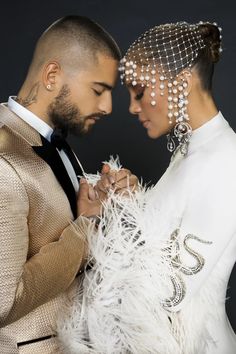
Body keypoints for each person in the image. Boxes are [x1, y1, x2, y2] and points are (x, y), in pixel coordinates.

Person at [58, 21, 236, 354]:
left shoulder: (226, 160)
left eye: (139, 92)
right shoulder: (190, 150)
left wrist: (122, 219)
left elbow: (169, 293)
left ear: (183, 84)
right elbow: (162, 237)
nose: (132, 108)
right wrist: (125, 202)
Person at [0, 15, 138, 354]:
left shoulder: (52, 141)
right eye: (98, 91)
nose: (107, 107)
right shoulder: (4, 163)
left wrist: (99, 202)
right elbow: (3, 302)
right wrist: (86, 228)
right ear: (52, 76)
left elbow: (50, 213)